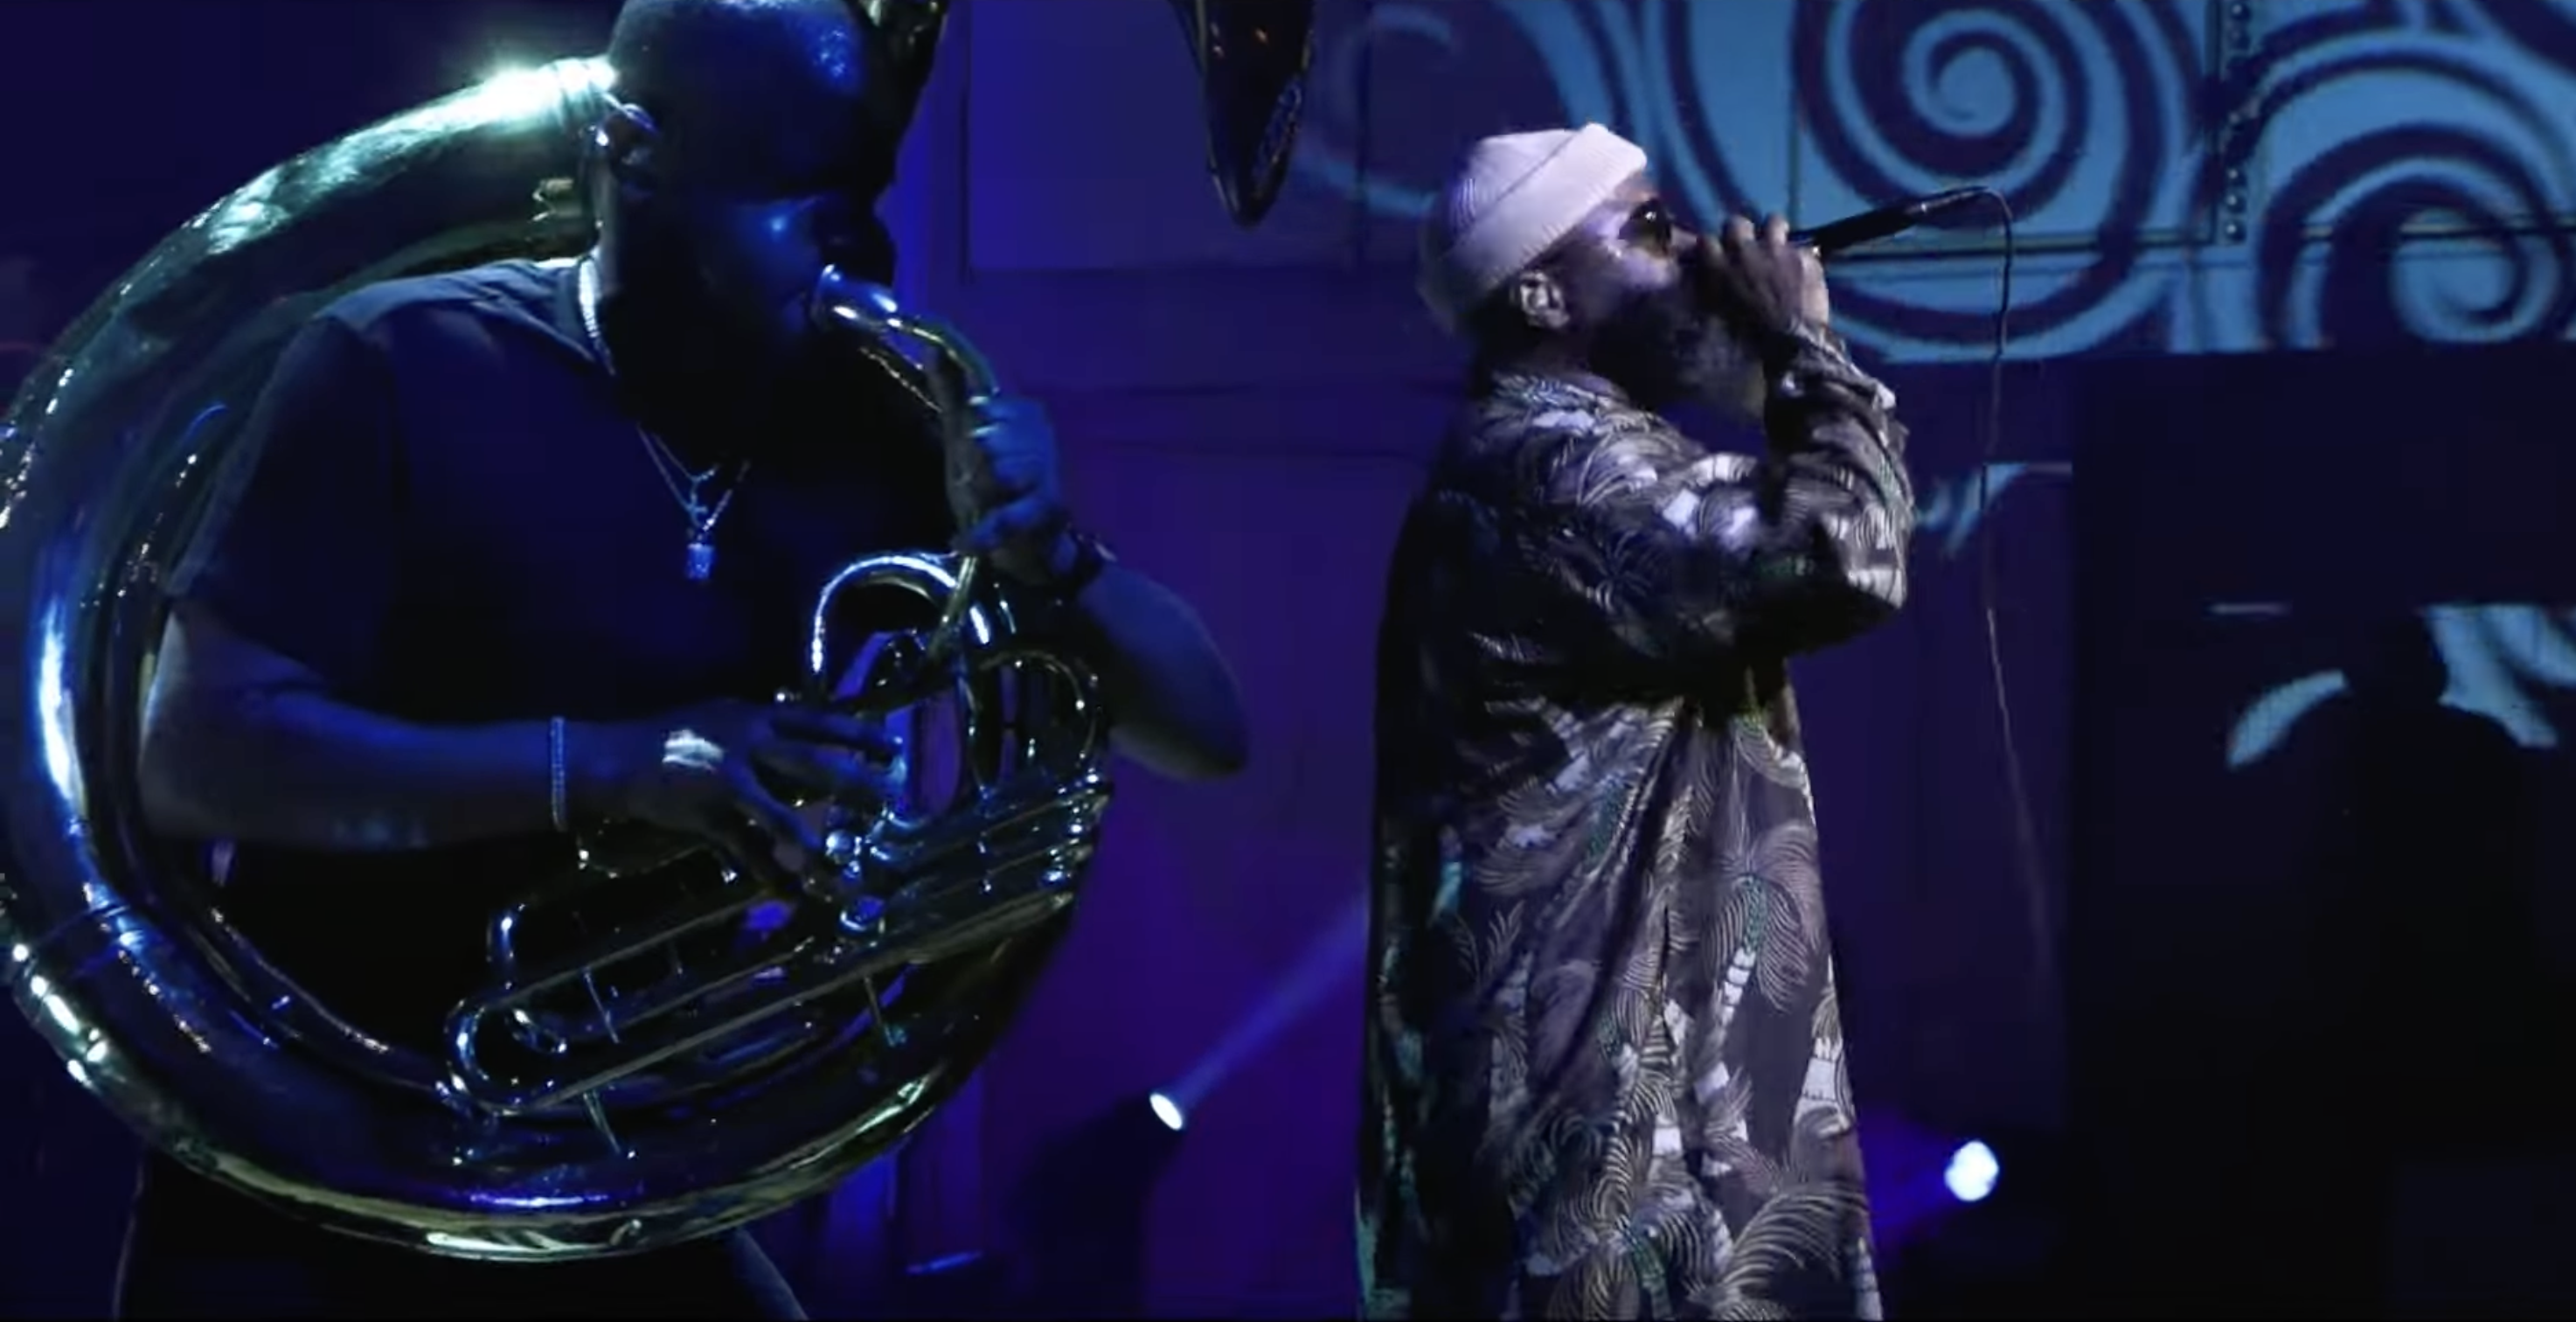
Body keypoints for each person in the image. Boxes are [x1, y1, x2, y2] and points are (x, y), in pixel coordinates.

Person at [120, 0, 1248, 1317]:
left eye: (856, 200)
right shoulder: (398, 358)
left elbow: (1205, 732)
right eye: (790, 193)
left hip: (607, 1151)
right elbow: (197, 756)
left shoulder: (864, 409)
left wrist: (1052, 555)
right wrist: (611, 766)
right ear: (631, 148)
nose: (846, 251)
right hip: (330, 1136)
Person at [1360, 122, 1912, 1319]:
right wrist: (1801, 345)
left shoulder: (1565, 455)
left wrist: (1770, 374)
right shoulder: (1551, 470)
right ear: (1542, 294)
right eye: (1650, 231)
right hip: (1598, 1133)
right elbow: (1846, 553)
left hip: (1627, 1106)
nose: (1698, 252)